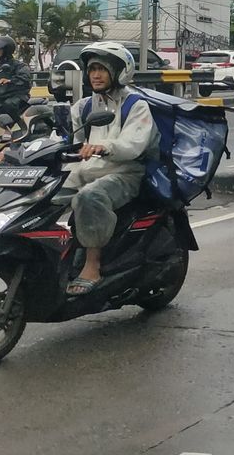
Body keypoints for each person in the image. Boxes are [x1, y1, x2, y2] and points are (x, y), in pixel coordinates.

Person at [65, 42, 160, 296]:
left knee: (90, 196)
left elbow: (133, 145)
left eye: (102, 69)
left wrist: (102, 147)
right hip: (87, 169)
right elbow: (65, 139)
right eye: (92, 69)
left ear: (119, 72)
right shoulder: (84, 106)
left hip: (125, 172)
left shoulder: (135, 105)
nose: (95, 75)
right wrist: (19, 149)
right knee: (44, 193)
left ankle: (92, 264)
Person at [0, 34, 31, 129]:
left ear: (7, 49)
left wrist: (9, 80)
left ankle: (15, 129)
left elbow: (24, 79)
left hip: (16, 96)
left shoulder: (19, 65)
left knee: (6, 107)